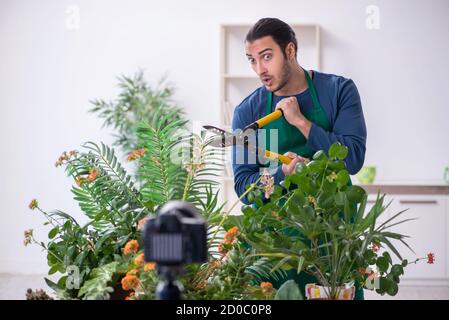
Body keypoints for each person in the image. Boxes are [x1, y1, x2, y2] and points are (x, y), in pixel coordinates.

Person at [231, 17, 367, 299]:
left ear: (290, 51)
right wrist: (282, 175)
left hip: (333, 239)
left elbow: (353, 158)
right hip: (274, 248)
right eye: (252, 60)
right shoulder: (248, 113)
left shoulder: (339, 91)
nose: (260, 70)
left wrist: (302, 123)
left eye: (266, 57)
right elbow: (245, 188)